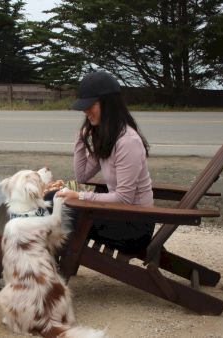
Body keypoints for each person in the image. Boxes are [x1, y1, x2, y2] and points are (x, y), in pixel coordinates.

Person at [55, 71, 154, 254]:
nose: (85, 111)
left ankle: (48, 265)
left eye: (90, 105)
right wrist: (80, 139)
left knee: (62, 211)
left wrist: (81, 197)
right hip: (118, 215)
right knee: (55, 201)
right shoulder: (107, 136)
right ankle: (51, 262)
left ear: (108, 104)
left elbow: (124, 198)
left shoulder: (127, 141)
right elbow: (82, 176)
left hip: (134, 226)